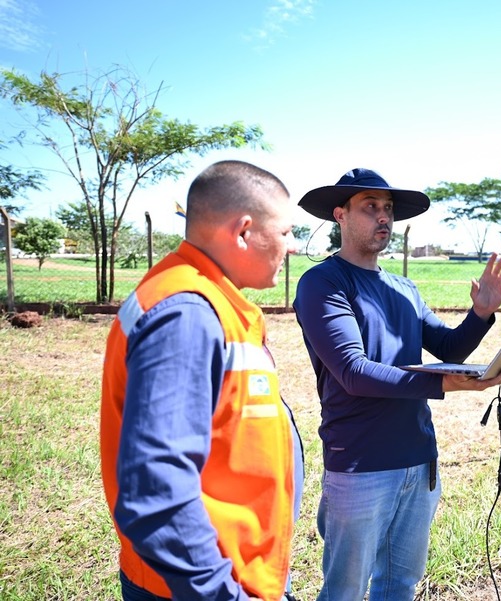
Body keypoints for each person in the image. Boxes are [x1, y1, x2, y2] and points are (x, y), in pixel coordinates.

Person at [292, 167, 501, 601]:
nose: (383, 218)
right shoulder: (323, 282)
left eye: (389, 209)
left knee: (399, 586)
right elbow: (353, 372)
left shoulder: (403, 288)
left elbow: (449, 345)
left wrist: (482, 314)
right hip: (359, 462)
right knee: (345, 591)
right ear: (340, 215)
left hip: (418, 458)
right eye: (370, 207)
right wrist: (445, 386)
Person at [100, 160, 305, 601]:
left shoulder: (207, 299)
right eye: (287, 232)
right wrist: (219, 592)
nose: (292, 246)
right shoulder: (187, 313)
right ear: (244, 232)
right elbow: (157, 488)